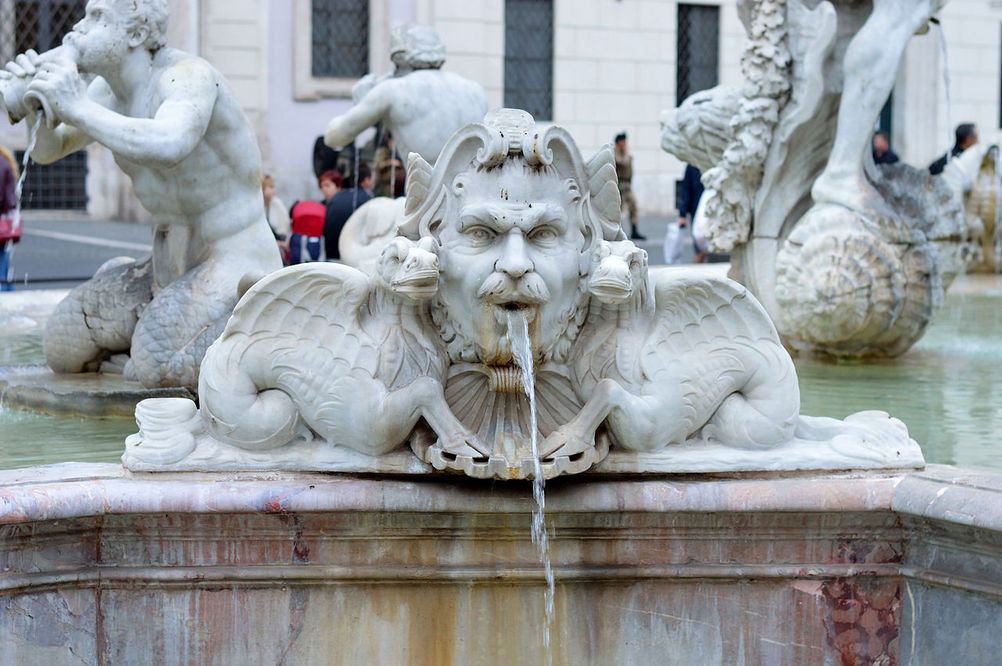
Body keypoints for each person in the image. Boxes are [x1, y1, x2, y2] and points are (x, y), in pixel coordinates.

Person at [2, 0, 281, 392]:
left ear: (135, 33)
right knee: (62, 347)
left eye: (98, 17)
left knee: (154, 368)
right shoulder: (107, 92)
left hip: (233, 261)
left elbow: (169, 143)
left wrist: (76, 107)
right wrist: (38, 102)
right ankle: (154, 333)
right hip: (162, 270)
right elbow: (49, 150)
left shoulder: (186, 77)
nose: (78, 28)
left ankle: (255, 332)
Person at [324, 24, 487, 164]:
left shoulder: (392, 90)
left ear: (398, 59)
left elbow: (333, 138)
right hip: (471, 196)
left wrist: (364, 102)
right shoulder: (475, 90)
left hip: (425, 197)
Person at [324, 164, 372, 260]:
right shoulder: (367, 200)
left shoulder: (337, 197)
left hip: (331, 255)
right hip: (351, 257)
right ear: (366, 180)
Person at [614, 132, 645, 240]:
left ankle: (634, 230)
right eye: (623, 141)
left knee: (633, 206)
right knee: (618, 210)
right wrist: (626, 153)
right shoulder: (616, 152)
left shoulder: (624, 152)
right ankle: (615, 231)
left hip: (627, 184)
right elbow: (623, 163)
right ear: (619, 142)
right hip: (619, 184)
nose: (625, 143)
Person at [672, 164, 704, 263]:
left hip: (711, 211)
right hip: (697, 211)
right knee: (700, 248)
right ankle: (698, 271)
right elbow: (685, 189)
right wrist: (682, 215)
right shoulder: (692, 165)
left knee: (709, 248)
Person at [0, 145, 18, 291]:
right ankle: (9, 296)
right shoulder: (5, 162)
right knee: (3, 263)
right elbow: (10, 201)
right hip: (2, 222)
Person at [262, 174, 290, 263]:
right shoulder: (260, 206)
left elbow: (283, 229)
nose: (274, 190)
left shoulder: (276, 204)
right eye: (270, 187)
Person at [373, 132, 404, 198]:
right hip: (384, 185)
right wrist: (390, 162)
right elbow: (378, 165)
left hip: (397, 185)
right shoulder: (382, 151)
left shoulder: (398, 151)